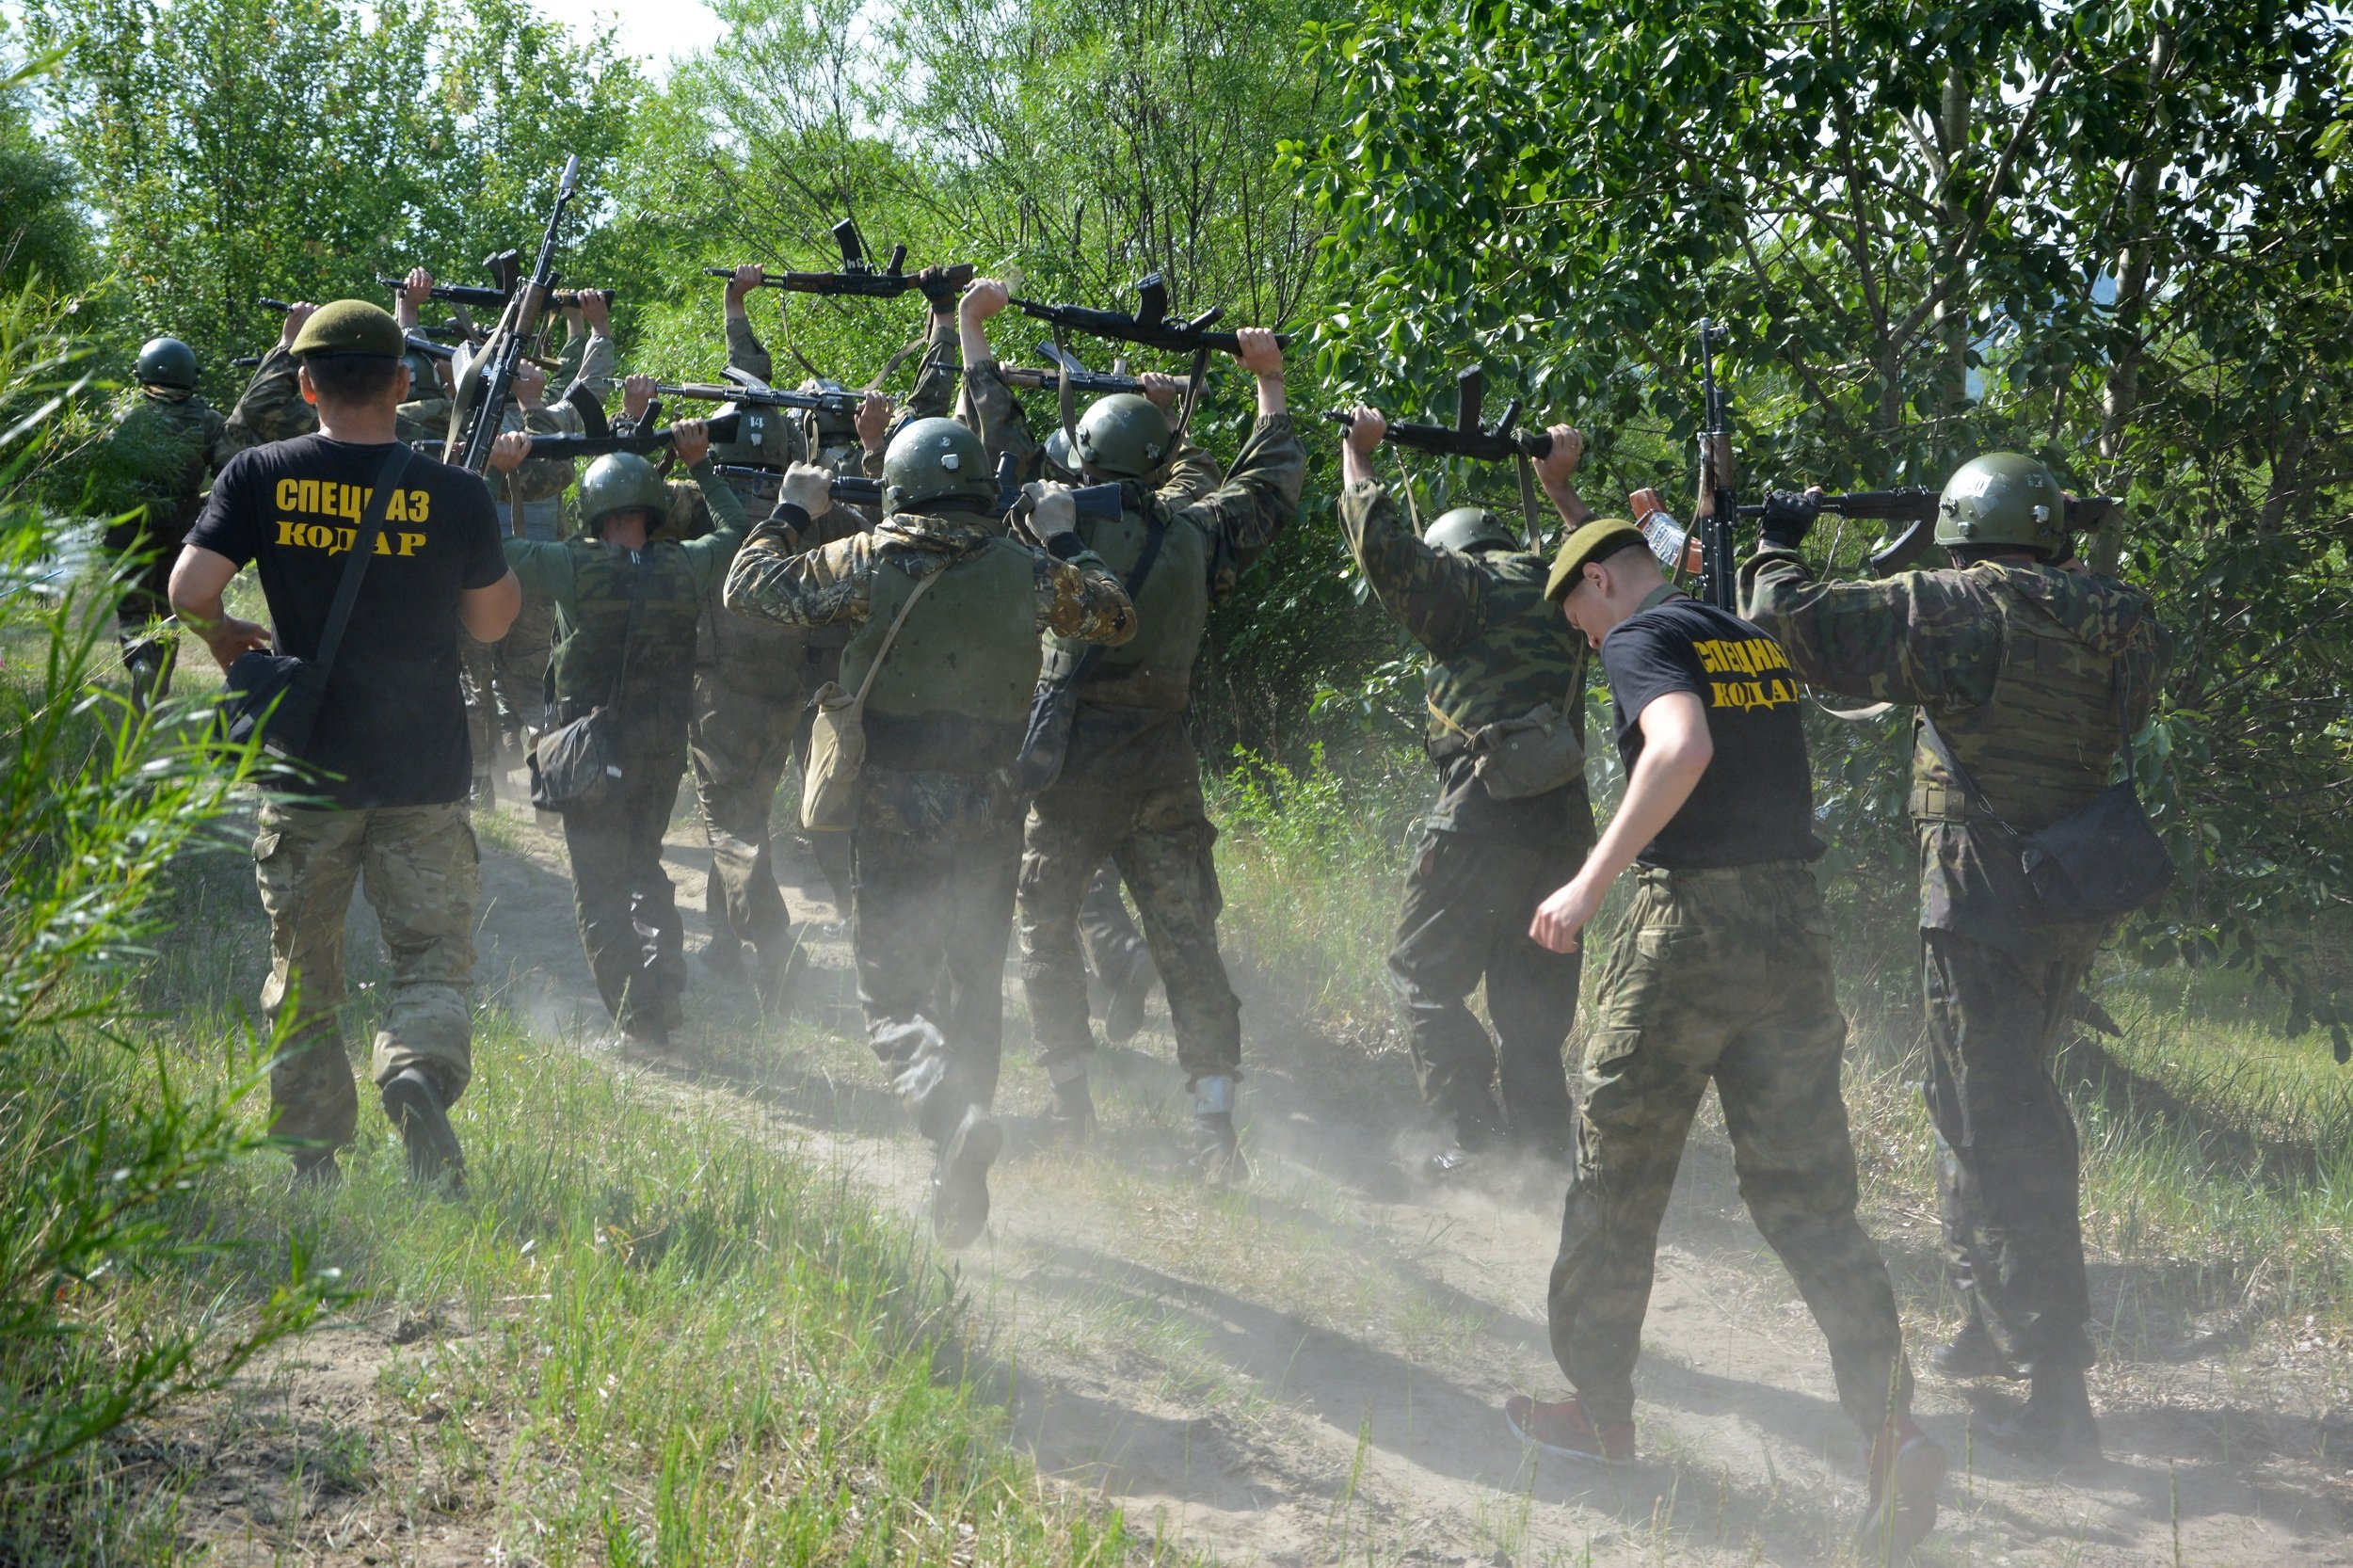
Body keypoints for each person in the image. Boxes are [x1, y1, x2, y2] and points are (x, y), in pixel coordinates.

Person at [1508, 518, 1942, 1554]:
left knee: (1616, 1176)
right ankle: (1891, 1429)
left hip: (1687, 932)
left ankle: (1599, 1416)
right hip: (1794, 934)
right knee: (1808, 1198)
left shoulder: (1637, 638)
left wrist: (1585, 882)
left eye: (1576, 615)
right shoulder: (1745, 636)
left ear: (1602, 584)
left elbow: (1681, 746)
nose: (1582, 640)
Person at [1742, 453, 2169, 1462]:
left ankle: (2057, 1389)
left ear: (1963, 527)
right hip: (2066, 891)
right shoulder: (2123, 614)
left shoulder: (1954, 604)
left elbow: (1792, 627)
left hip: (1981, 897)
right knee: (1971, 1100)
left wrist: (1775, 541)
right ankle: (1989, 1320)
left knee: (1998, 1123)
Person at [723, 415, 1137, 1247]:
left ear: (898, 487)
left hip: (892, 802)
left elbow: (748, 586)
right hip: (991, 803)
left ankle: (949, 1109)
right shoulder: (1026, 571)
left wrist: (792, 510)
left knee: (891, 992)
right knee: (974, 983)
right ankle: (963, 1156)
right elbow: (1115, 617)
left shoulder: (869, 561)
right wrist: (1064, 536)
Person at [168, 299, 520, 1188]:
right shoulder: (456, 492)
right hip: (423, 769)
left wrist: (219, 637)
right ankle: (414, 1068)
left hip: (307, 769)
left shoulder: (259, 474)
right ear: (404, 385)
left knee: (304, 971)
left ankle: (313, 1157)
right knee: (431, 955)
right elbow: (491, 624)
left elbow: (188, 587)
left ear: (307, 382)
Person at [977, 282, 1303, 1176]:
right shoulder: (1193, 533)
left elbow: (992, 443)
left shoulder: (1050, 527)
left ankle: (1069, 1104)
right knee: (1188, 942)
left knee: (1046, 930)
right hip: (1162, 765)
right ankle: (1213, 1123)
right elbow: (1267, 483)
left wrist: (971, 334)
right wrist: (1266, 383)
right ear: (1159, 465)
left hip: (1072, 767)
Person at [1335, 408, 1597, 1176]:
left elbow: (1380, 546)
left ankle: (1469, 1137)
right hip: (1563, 837)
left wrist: (1357, 456)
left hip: (1478, 826)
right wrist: (1561, 489)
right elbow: (1627, 571)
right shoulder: (1567, 600)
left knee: (1422, 978)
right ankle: (1544, 1159)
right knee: (1532, 1017)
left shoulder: (1465, 590)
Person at [486, 419, 747, 1054]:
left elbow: (486, 547)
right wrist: (704, 465)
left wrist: (498, 471)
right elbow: (739, 533)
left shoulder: (573, 565)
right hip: (662, 748)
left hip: (592, 754)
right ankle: (666, 983)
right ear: (654, 512)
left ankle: (640, 1024)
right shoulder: (685, 565)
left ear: (593, 510)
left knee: (601, 893)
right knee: (644, 868)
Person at [96, 335, 243, 712]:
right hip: (179, 530)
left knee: (132, 610)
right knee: (167, 613)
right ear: (190, 376)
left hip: (128, 528)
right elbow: (228, 473)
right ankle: (155, 696)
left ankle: (140, 664)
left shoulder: (122, 415)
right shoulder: (208, 421)